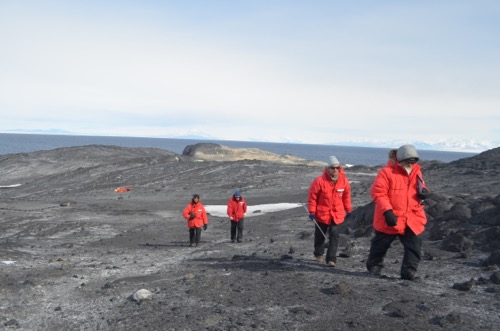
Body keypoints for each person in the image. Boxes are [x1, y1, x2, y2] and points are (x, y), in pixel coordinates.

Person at [366, 144, 430, 280]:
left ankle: (409, 272)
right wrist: (387, 211)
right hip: (391, 217)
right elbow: (378, 193)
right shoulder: (386, 172)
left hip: (412, 217)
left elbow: (421, 187)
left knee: (414, 246)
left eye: (413, 161)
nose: (411, 164)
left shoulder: (417, 172)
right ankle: (374, 266)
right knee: (380, 245)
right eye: (408, 161)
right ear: (401, 160)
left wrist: (424, 192)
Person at [308, 156, 352, 267]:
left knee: (334, 236)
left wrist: (348, 210)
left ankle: (331, 259)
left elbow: (346, 197)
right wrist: (312, 212)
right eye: (333, 168)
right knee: (320, 236)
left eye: (338, 168)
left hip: (337, 215)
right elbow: (313, 197)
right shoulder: (319, 181)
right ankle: (318, 254)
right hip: (321, 214)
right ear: (328, 168)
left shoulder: (344, 181)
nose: (335, 170)